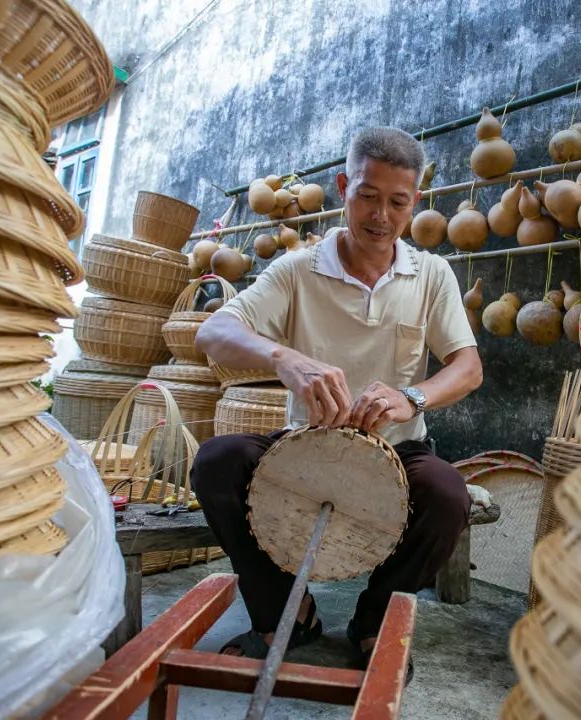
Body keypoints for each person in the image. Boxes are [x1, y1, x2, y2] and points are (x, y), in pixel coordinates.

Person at [192, 126, 483, 674]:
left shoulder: (432, 273)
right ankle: (286, 614)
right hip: (304, 444)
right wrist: (286, 359)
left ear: (414, 201)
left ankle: (373, 623)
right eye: (367, 196)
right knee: (217, 462)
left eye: (397, 202)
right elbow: (212, 333)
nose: (380, 215)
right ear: (344, 185)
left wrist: (411, 397)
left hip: (397, 449)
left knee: (448, 494)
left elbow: (468, 368)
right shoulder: (298, 268)